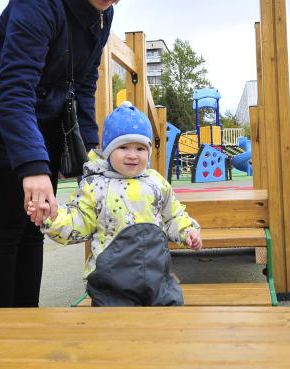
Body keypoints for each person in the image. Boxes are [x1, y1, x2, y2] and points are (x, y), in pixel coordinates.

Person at [0, 0, 140, 308]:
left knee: (36, 226)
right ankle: (0, 335)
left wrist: (93, 153)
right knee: (6, 229)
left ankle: (26, 321)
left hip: (45, 123)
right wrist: (32, 166)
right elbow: (13, 89)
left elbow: (83, 85)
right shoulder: (40, 1)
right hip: (2, 120)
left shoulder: (103, 13)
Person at [29, 101, 203, 306]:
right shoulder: (95, 185)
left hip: (156, 277)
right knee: (111, 328)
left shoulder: (156, 182)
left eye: (140, 148)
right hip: (111, 282)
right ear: (108, 151)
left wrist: (188, 232)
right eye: (123, 147)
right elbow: (80, 221)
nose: (132, 155)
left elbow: (173, 215)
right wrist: (54, 217)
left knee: (169, 314)